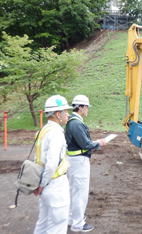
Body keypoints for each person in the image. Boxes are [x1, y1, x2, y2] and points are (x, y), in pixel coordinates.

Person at [66, 95, 106, 232]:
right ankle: (78, 224)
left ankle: (72, 219)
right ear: (81, 107)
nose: (88, 110)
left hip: (74, 160)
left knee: (74, 191)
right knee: (80, 193)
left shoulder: (73, 121)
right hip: (79, 162)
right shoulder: (76, 123)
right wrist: (98, 143)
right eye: (87, 107)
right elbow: (85, 144)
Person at [34, 95, 73, 234]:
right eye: (66, 111)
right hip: (55, 184)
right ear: (58, 114)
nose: (68, 114)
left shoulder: (42, 131)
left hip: (45, 184)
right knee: (57, 226)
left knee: (43, 223)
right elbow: (51, 164)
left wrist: (39, 184)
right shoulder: (56, 133)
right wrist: (42, 185)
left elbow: (37, 158)